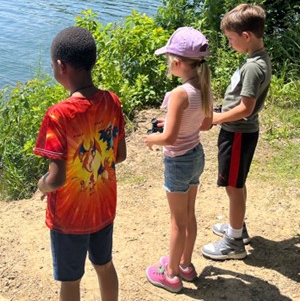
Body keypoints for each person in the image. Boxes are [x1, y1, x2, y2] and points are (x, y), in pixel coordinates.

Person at [34, 26, 127, 301]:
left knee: (71, 281)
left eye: (52, 64)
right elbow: (119, 155)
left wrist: (42, 186)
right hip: (103, 208)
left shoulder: (58, 115)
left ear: (61, 66)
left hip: (69, 218)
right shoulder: (112, 101)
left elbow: (57, 178)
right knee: (104, 264)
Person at [144, 27, 214, 293]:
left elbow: (170, 138)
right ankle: (185, 263)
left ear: (176, 62)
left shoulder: (178, 94)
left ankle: (170, 274)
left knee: (177, 222)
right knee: (189, 215)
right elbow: (205, 124)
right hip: (196, 156)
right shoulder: (202, 86)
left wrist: (153, 139)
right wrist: (173, 122)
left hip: (178, 162)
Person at [201, 4, 272, 261]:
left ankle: (233, 242)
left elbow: (246, 107)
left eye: (231, 39)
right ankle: (237, 226)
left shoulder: (254, 66)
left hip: (238, 133)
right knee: (236, 184)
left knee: (233, 186)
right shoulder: (255, 59)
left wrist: (216, 118)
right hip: (238, 132)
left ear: (246, 36)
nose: (230, 44)